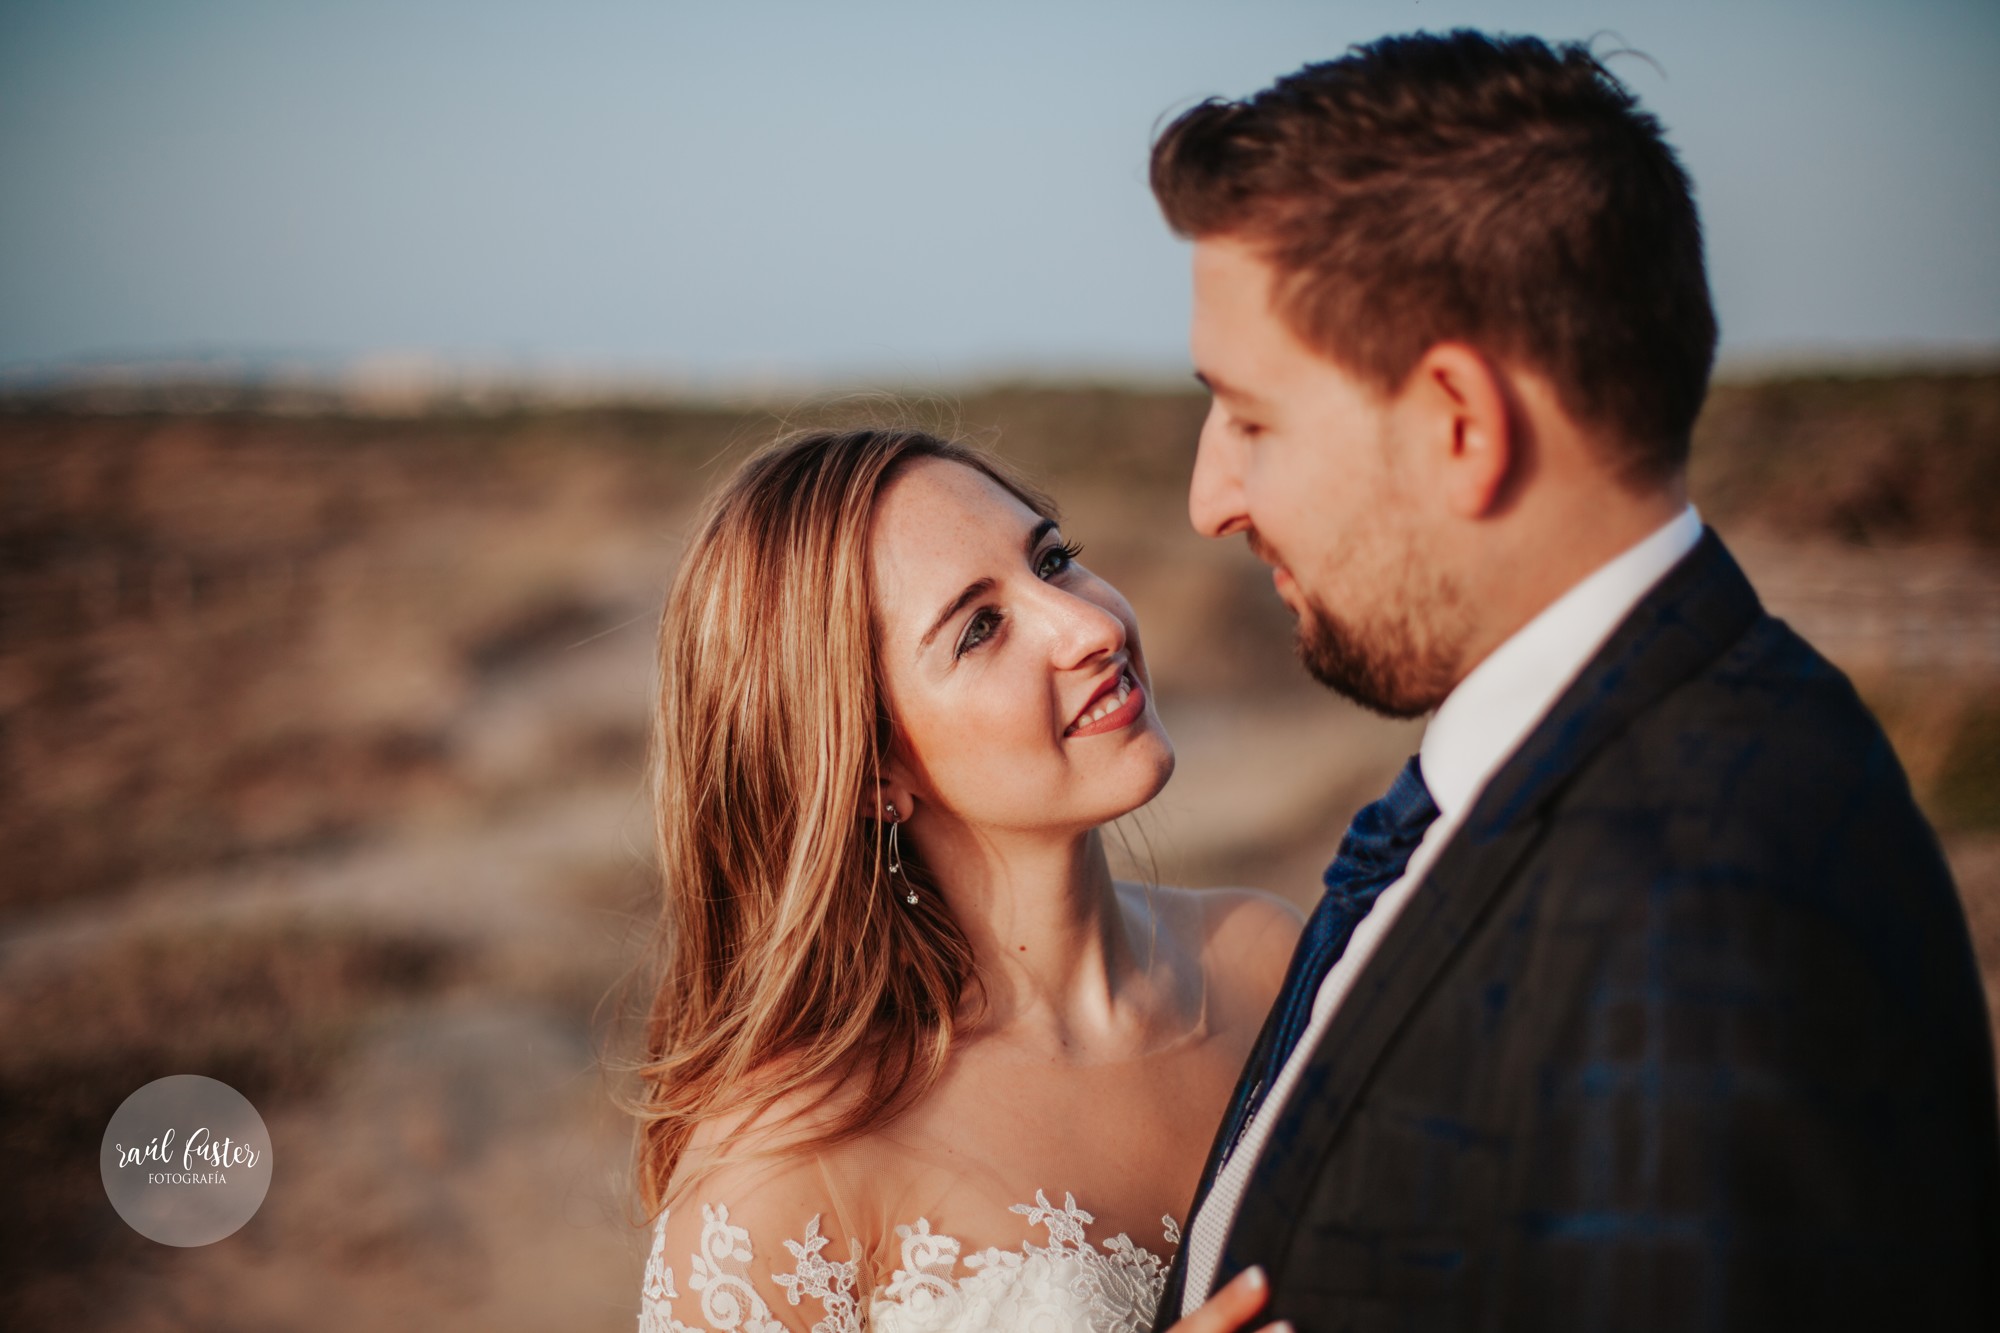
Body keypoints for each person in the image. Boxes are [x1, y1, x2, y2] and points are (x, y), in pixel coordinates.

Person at [1148, 29, 2000, 1331]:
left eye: (1252, 419)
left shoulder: (1698, 919)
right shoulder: (1599, 758)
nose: (1212, 498)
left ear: (1462, 424)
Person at [630, 427, 1304, 1333]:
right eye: (980, 627)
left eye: (1055, 560)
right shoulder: (785, 1178)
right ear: (872, 772)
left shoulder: (1272, 965)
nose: (1095, 626)